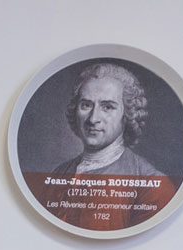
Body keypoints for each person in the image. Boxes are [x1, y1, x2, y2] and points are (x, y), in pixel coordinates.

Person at [46, 62, 168, 230]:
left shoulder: (152, 183)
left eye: (107, 107)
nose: (93, 118)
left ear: (127, 114)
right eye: (86, 105)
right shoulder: (59, 174)